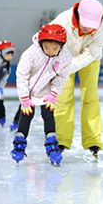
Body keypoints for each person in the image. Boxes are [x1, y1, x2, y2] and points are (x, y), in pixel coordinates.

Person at [51, 0, 103, 158]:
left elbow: (92, 53)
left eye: (92, 23)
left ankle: (93, 140)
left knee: (90, 97)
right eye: (86, 22)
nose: (89, 27)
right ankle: (60, 139)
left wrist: (69, 67)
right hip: (63, 58)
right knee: (62, 97)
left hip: (90, 59)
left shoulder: (101, 28)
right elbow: (48, 43)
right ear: (79, 14)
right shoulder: (62, 21)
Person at [11, 24, 72, 165]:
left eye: (55, 49)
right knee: (26, 115)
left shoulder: (65, 57)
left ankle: (52, 144)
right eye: (47, 48)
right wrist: (24, 98)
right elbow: (22, 75)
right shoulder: (31, 53)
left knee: (48, 114)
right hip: (28, 92)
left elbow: (62, 77)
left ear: (62, 46)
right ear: (40, 43)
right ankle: (19, 143)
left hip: (46, 92)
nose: (51, 52)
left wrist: (54, 93)